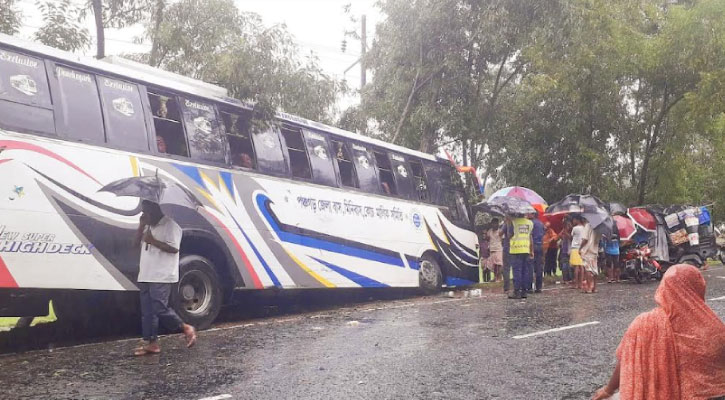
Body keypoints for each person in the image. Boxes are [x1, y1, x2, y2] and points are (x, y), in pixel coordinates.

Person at [592, 264, 725, 400]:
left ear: (665, 287)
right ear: (699, 287)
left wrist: (608, 390)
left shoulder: (645, 323)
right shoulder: (715, 327)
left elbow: (625, 359)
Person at [134, 200, 196, 356]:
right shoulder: (148, 225)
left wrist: (153, 241)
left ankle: (186, 328)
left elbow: (174, 248)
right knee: (147, 312)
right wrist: (141, 226)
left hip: (161, 275)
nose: (143, 215)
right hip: (146, 273)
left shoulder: (171, 226)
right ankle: (152, 343)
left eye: (145, 212)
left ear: (153, 210)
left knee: (160, 308)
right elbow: (135, 245)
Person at [508, 214, 533, 300]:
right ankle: (524, 292)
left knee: (517, 271)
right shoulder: (530, 223)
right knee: (525, 271)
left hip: (516, 249)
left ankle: (516, 291)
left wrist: (508, 224)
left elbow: (509, 235)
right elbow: (530, 237)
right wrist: (531, 250)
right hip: (526, 249)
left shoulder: (513, 222)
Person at [580, 219, 601, 294]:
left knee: (588, 269)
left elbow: (585, 239)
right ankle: (594, 287)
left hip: (588, 250)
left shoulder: (588, 226)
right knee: (594, 269)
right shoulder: (599, 227)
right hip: (595, 250)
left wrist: (580, 247)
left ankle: (589, 287)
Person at [529, 214, 545, 293]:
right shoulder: (541, 223)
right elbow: (543, 236)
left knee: (530, 266)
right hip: (540, 245)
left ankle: (529, 287)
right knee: (539, 267)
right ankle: (538, 287)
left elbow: (530, 236)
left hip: (532, 246)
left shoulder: (530, 223)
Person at [569, 216, 586, 289]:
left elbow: (571, 236)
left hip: (575, 248)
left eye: (574, 219)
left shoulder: (575, 228)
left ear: (577, 220)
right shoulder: (584, 228)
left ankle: (576, 284)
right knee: (581, 266)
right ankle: (581, 283)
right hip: (582, 248)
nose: (573, 221)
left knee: (576, 266)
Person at [559, 218, 573, 283]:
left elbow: (571, 238)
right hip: (564, 250)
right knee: (565, 265)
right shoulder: (563, 231)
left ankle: (570, 278)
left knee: (570, 265)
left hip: (570, 250)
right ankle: (565, 279)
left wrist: (566, 233)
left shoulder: (571, 231)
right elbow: (558, 237)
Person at [502, 217, 513, 292]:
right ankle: (518, 286)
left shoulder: (507, 223)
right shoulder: (517, 223)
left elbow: (500, 233)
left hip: (507, 248)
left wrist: (506, 223)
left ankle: (506, 287)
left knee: (506, 268)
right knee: (517, 268)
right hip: (517, 247)